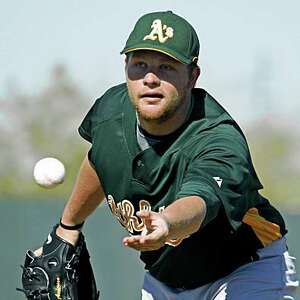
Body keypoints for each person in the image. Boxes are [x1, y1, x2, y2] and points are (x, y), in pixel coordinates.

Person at [52, 11, 298, 299]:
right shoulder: (110, 112)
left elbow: (200, 201)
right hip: (165, 280)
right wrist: (68, 226)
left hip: (245, 268)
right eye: (140, 64)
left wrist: (167, 223)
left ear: (192, 76)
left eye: (167, 67)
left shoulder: (218, 139)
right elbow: (100, 160)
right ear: (126, 67)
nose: (150, 78)